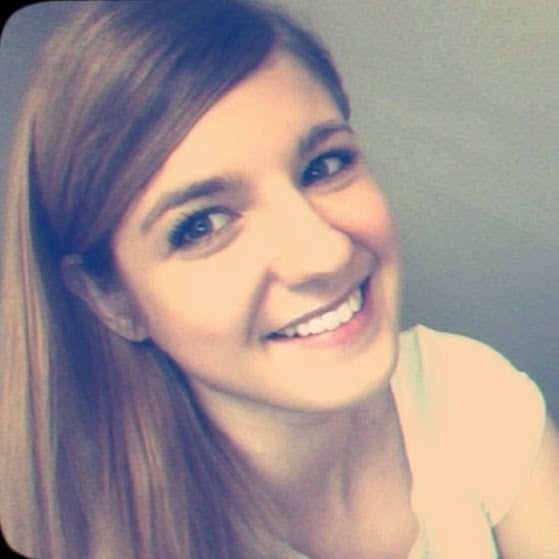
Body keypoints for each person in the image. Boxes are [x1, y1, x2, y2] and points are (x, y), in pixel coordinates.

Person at [0, 1, 557, 558]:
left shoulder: (464, 390)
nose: (325, 255)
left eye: (324, 166)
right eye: (203, 224)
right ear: (111, 299)